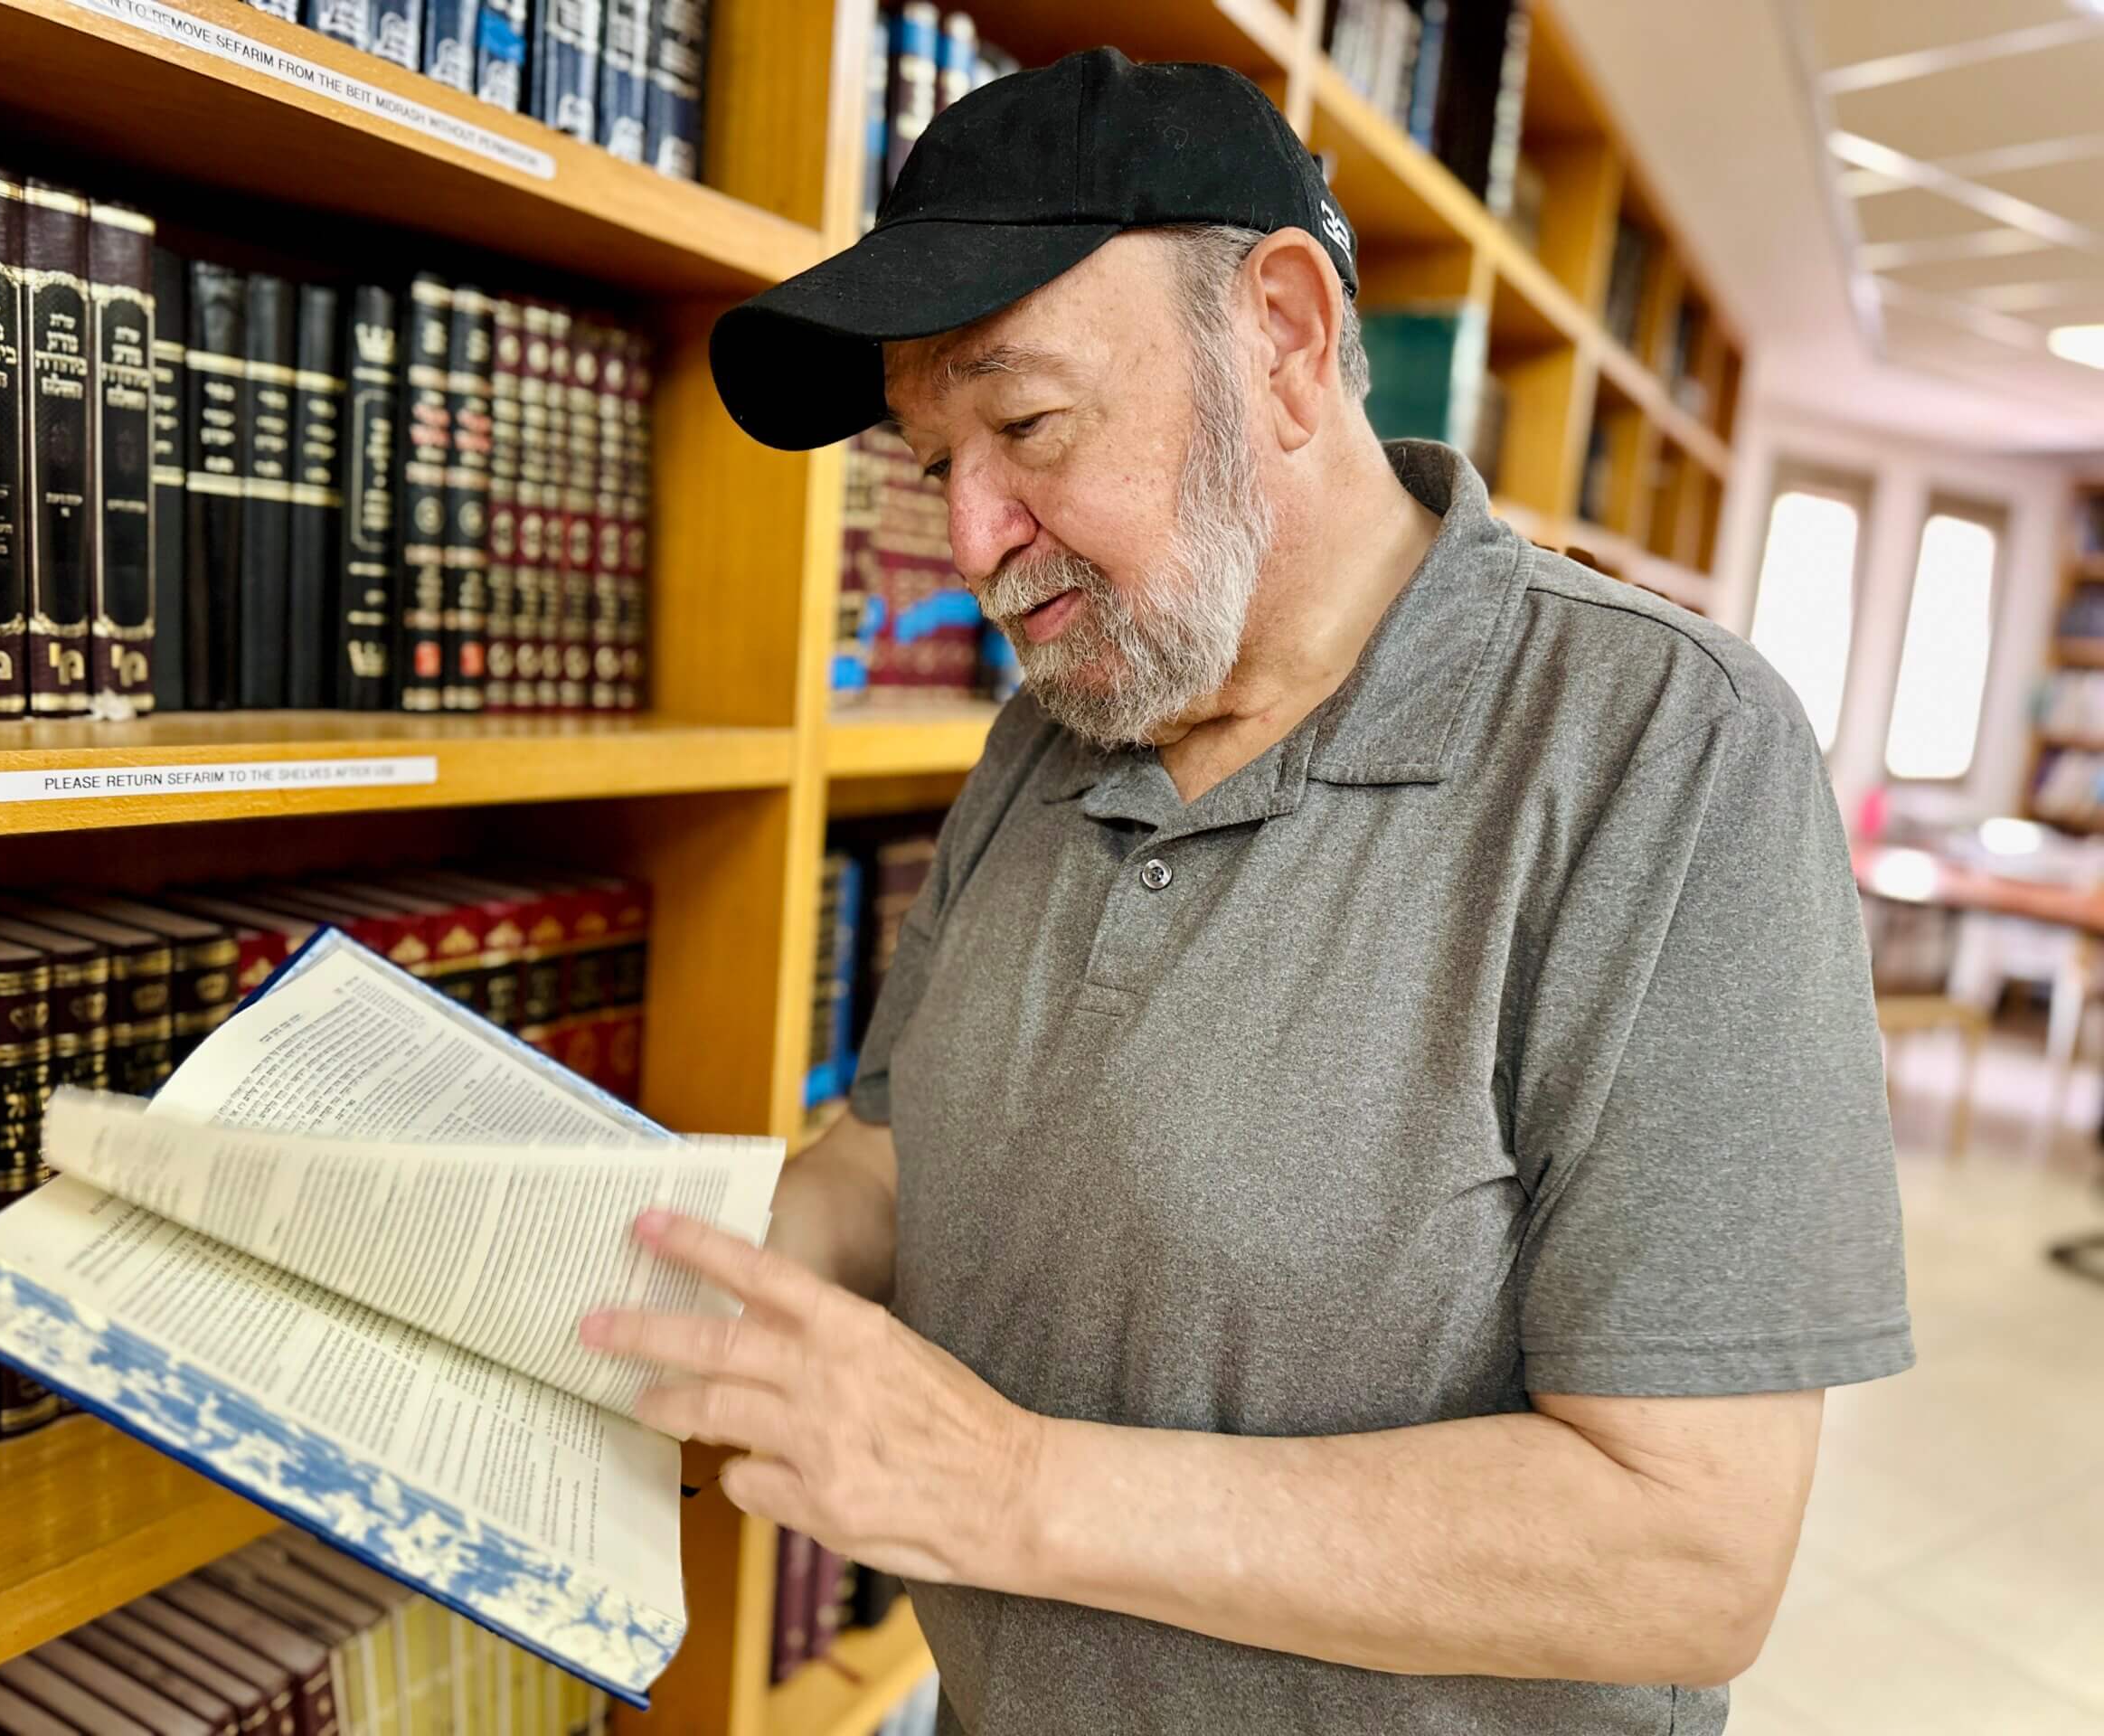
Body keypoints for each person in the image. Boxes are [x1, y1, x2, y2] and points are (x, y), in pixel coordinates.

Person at [578, 48, 1912, 1735]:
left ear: (1280, 337)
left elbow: (1687, 1548)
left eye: (1029, 424)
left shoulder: (1669, 754)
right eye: (934, 463)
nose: (974, 539)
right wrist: (610, 1292)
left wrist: (1010, 1490)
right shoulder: (1055, 725)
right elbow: (890, 1160)